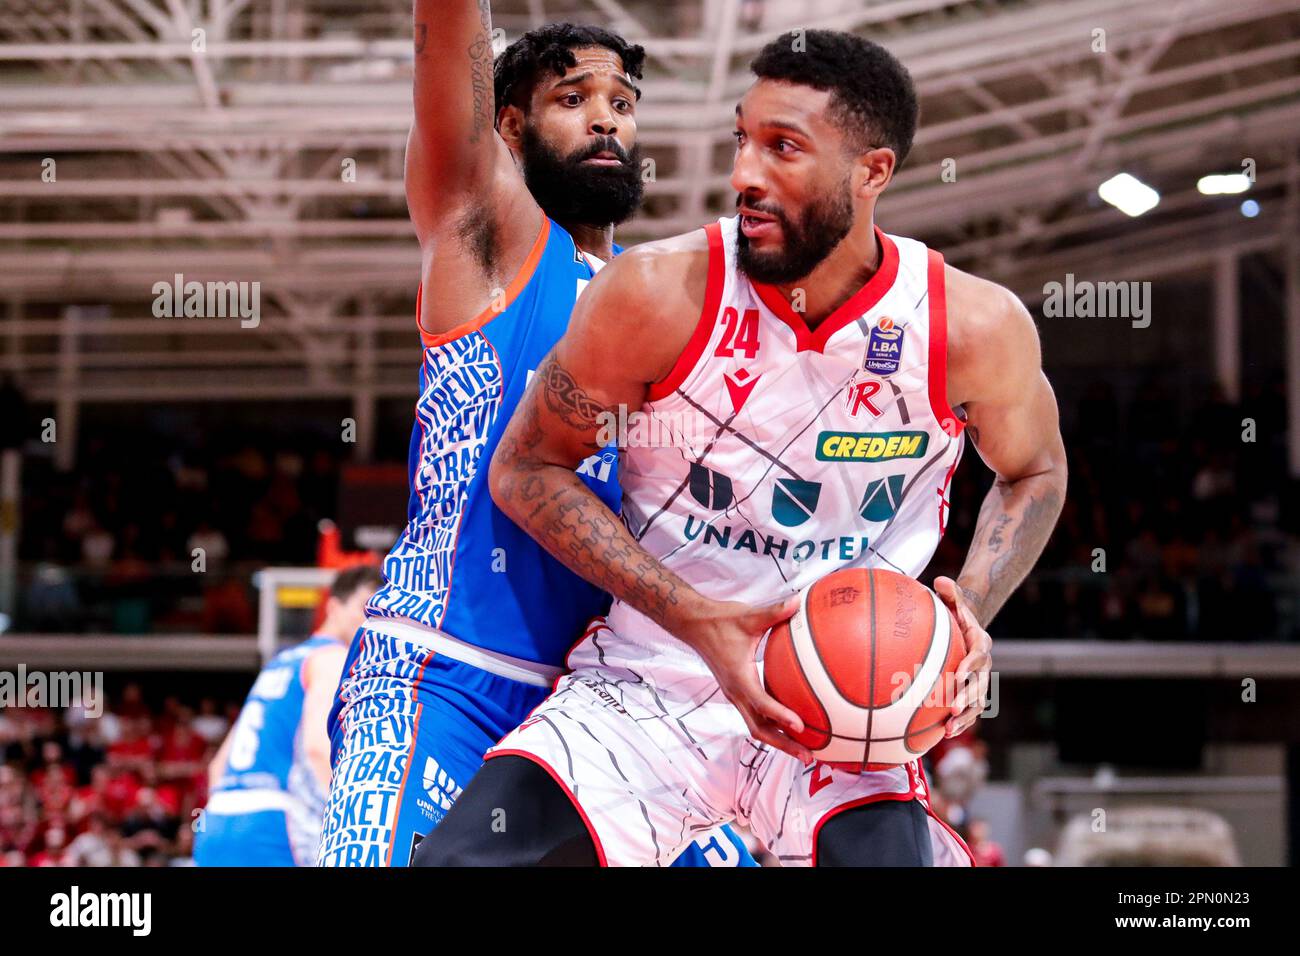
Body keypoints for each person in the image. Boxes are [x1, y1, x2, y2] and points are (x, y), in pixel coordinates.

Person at [417, 29, 1069, 867]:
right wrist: (696, 617)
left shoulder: (972, 326)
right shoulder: (654, 293)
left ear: (871, 172)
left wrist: (966, 613)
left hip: (850, 715)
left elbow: (1034, 470)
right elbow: (526, 469)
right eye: (741, 140)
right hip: (653, 686)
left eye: (783, 148)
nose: (743, 177)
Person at [315, 2, 752, 868]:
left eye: (623, 103)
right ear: (511, 126)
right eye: (573, 97)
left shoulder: (664, 304)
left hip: (608, 707)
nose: (606, 118)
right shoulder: (492, 236)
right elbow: (450, 73)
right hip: (445, 673)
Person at [194, 564, 380, 866]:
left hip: (217, 822)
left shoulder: (280, 663)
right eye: (365, 608)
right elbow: (319, 749)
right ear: (333, 607)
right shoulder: (332, 658)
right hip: (273, 823)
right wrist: (352, 821)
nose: (371, 620)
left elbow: (217, 766)